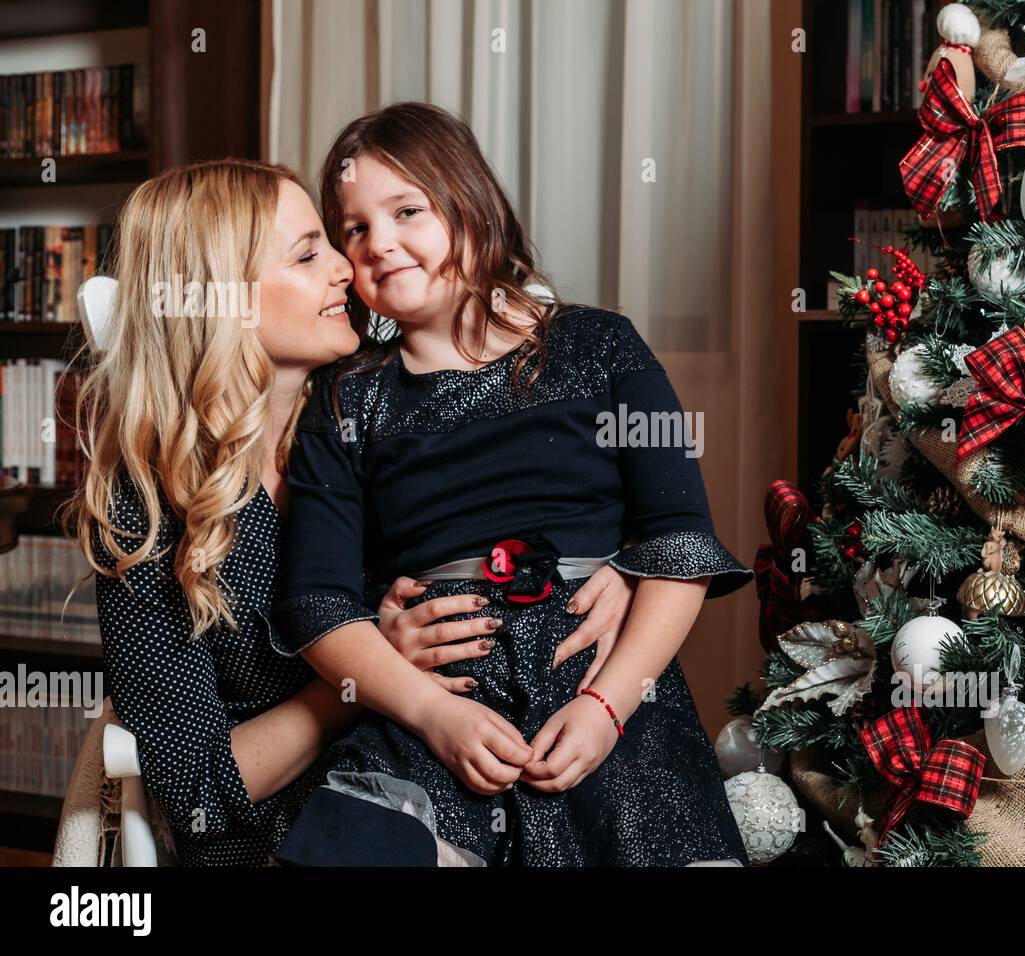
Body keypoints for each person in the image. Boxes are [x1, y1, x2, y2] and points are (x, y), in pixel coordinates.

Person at [67, 158, 635, 865]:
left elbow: (547, 498)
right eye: (309, 254)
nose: (348, 265)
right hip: (291, 835)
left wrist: (615, 566)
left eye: (332, 242)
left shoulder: (380, 411)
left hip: (480, 783)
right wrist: (367, 675)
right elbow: (197, 798)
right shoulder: (144, 511)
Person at [272, 103, 753, 866]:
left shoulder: (599, 346)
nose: (380, 242)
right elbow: (317, 602)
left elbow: (680, 543)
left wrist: (606, 705)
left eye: (406, 211)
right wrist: (431, 712)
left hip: (601, 684)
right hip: (438, 695)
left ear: (470, 202)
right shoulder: (347, 398)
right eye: (354, 229)